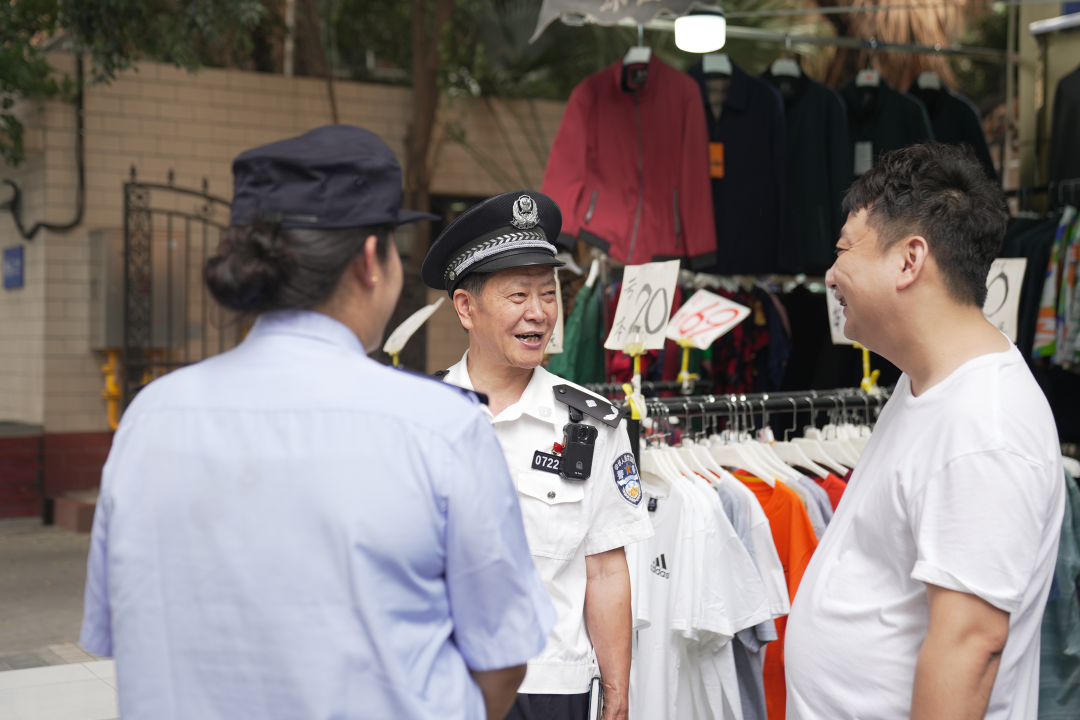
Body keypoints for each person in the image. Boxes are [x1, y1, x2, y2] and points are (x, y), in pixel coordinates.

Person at [79, 125, 555, 720]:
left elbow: (118, 631)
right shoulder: (441, 428)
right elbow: (503, 658)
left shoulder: (149, 418)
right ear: (370, 261)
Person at [784, 143, 1065, 720]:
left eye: (844, 250)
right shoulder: (929, 384)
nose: (831, 275)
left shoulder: (983, 426)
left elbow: (970, 647)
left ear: (910, 260)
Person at [421, 190, 653, 720]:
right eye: (518, 295)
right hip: (442, 682)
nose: (538, 313)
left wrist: (617, 691)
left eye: (548, 294)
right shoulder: (420, 419)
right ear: (466, 307)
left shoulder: (592, 425)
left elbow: (605, 569)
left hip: (552, 688)